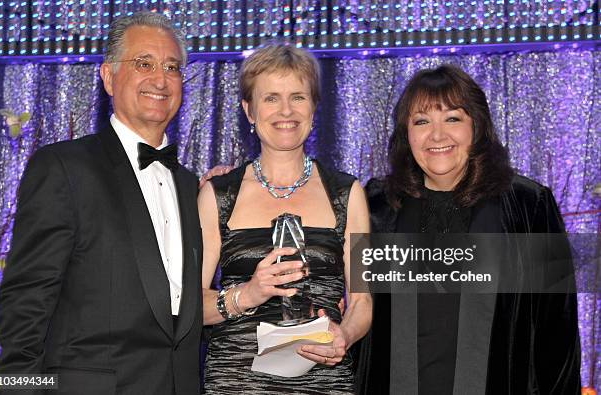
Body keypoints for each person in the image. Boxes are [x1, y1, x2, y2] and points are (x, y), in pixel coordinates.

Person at [0, 12, 203, 395]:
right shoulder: (63, 167)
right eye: (144, 64)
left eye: (172, 67)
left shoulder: (190, 185)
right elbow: (24, 305)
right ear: (108, 76)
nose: (160, 79)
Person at [358, 65, 581, 394]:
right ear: (406, 133)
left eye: (452, 118)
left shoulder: (528, 206)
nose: (437, 135)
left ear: (476, 126)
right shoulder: (377, 206)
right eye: (421, 121)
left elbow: (557, 332)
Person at [198, 43, 372, 394]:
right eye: (271, 98)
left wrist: (345, 335)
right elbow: (189, 308)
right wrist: (247, 293)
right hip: (236, 383)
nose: (286, 111)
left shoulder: (348, 193)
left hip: (325, 381)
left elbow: (363, 300)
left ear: (314, 107)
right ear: (249, 110)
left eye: (298, 97)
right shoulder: (217, 194)